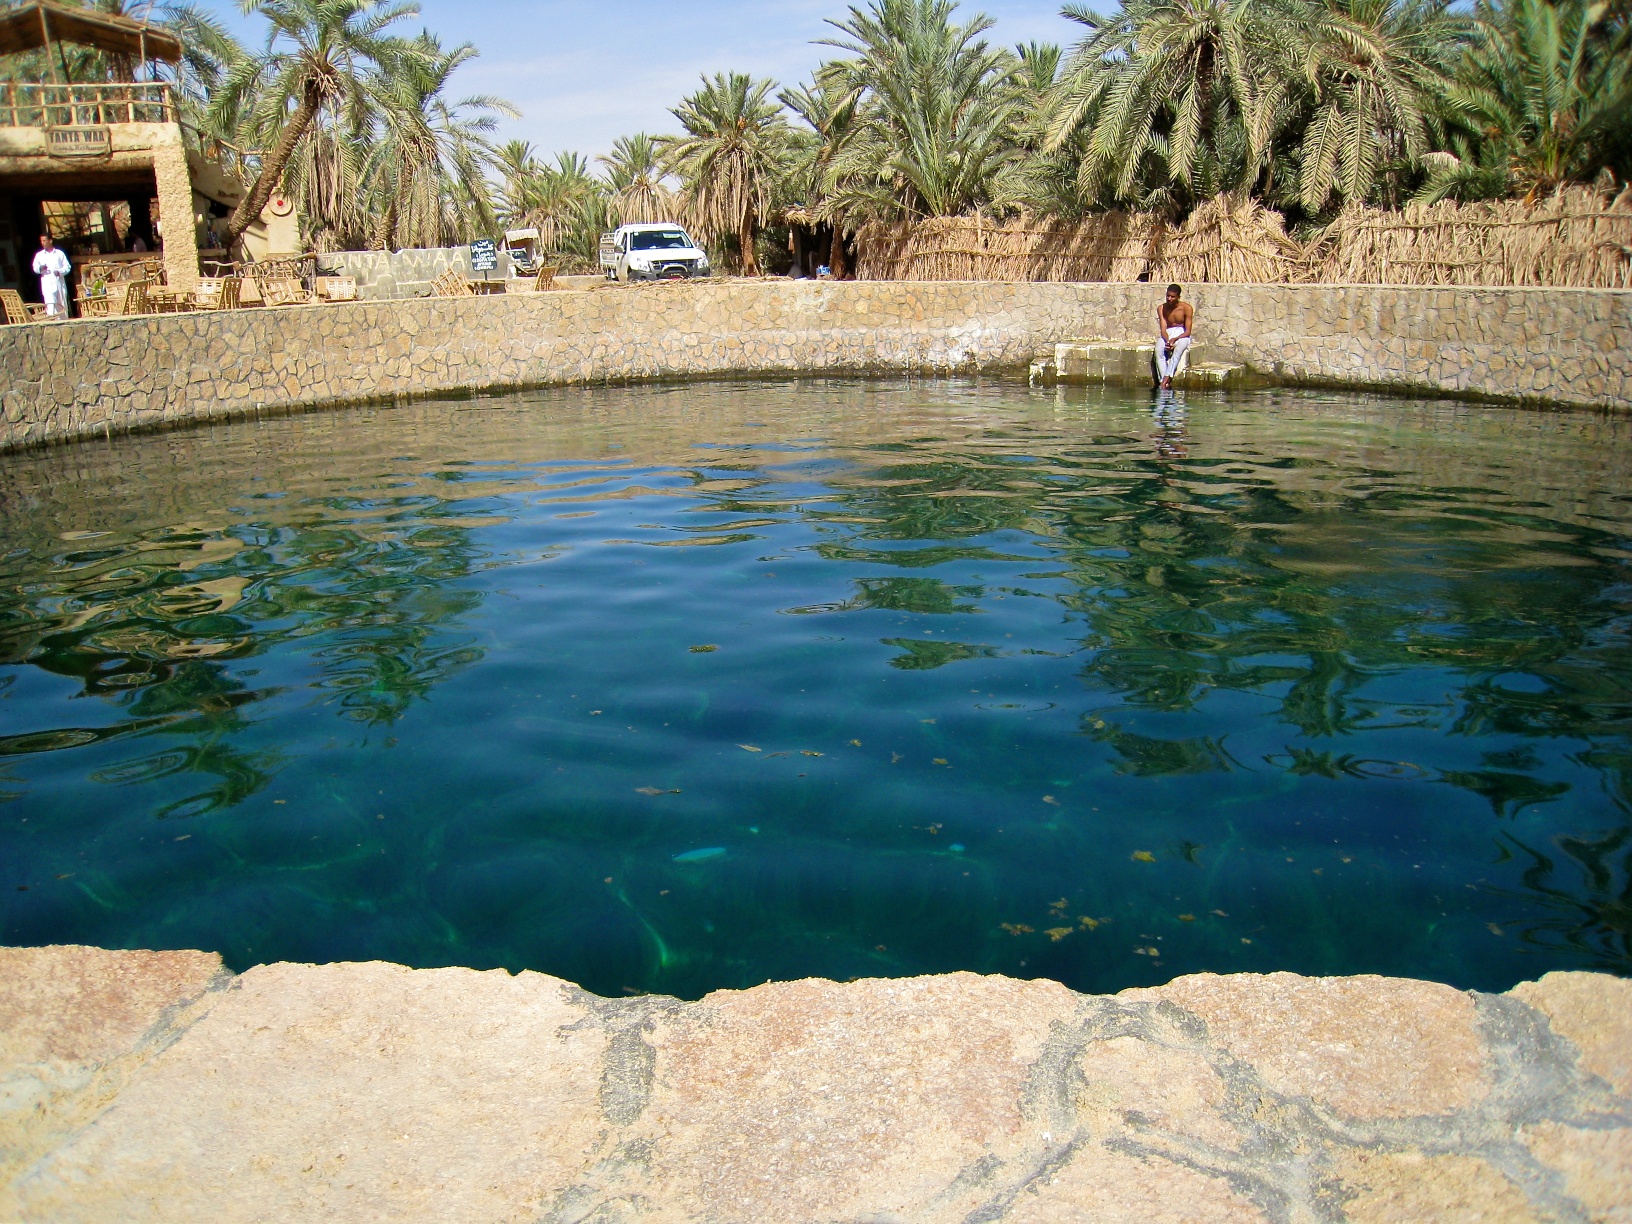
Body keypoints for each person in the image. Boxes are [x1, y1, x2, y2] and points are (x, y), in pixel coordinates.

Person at [1154, 283, 1193, 389]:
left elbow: (1188, 331)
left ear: (1178, 297)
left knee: (1178, 351)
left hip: (1182, 334)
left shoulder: (1187, 308)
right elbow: (1163, 329)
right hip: (1168, 333)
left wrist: (1175, 339)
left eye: (1172, 296)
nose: (1169, 298)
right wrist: (1168, 341)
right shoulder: (1161, 308)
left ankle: (1165, 380)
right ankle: (1164, 381)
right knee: (1158, 351)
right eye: (1168, 296)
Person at [31, 234, 71, 319]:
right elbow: (35, 267)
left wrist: (60, 272)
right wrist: (41, 268)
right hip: (47, 282)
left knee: (61, 303)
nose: (43, 243)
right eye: (41, 241)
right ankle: (52, 323)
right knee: (50, 304)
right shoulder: (39, 255)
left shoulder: (59, 254)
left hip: (59, 282)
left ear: (50, 241)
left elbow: (67, 267)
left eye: (44, 240)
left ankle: (64, 323)